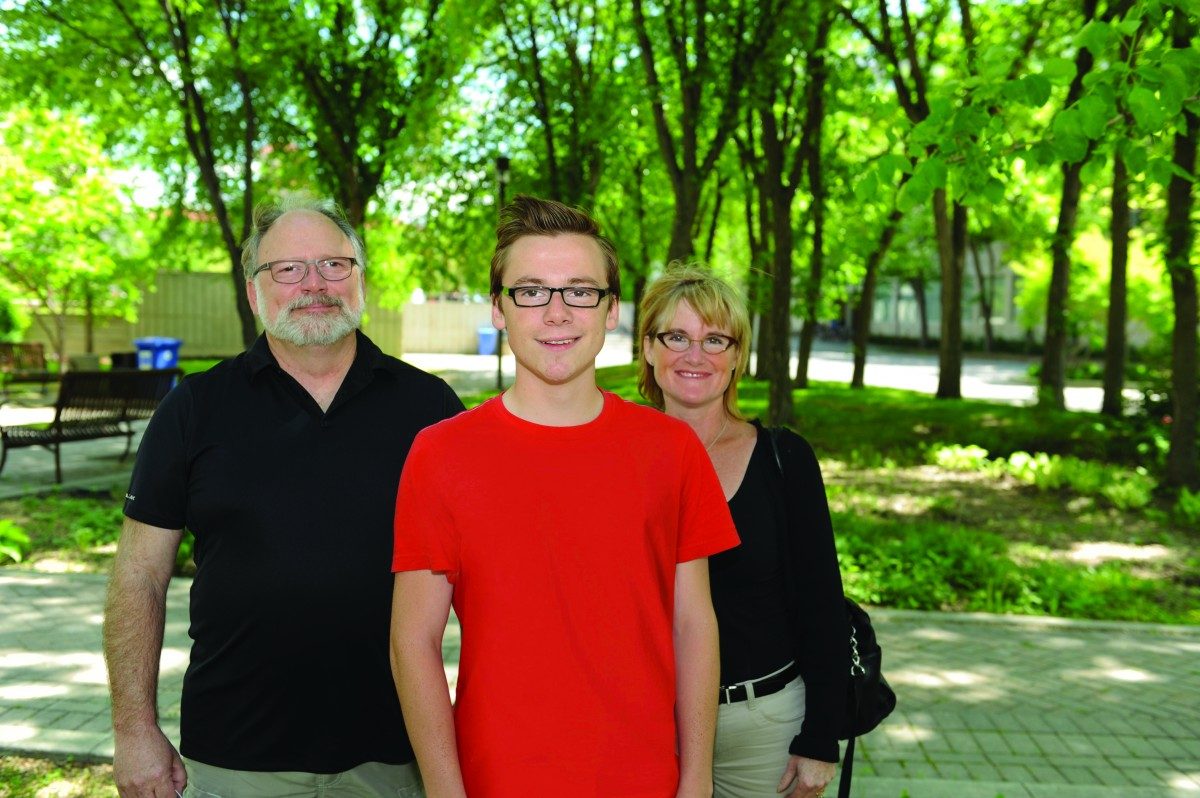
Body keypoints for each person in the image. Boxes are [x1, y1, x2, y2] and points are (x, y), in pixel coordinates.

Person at [104, 197, 464, 798]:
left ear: (361, 279)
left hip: (396, 755)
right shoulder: (194, 408)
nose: (315, 284)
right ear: (254, 292)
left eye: (334, 265)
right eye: (288, 269)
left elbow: (486, 582)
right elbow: (139, 575)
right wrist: (133, 730)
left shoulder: (428, 409)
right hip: (234, 757)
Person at [389, 196, 740, 798]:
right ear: (499, 309)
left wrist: (697, 779)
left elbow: (694, 624)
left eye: (580, 291)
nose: (556, 313)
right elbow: (412, 641)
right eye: (531, 291)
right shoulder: (440, 454)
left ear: (612, 311)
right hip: (494, 778)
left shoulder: (672, 449)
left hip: (644, 778)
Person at [637, 265, 848, 798]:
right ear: (647, 348)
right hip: (645, 723)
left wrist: (821, 738)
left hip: (764, 732)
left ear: (737, 356)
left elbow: (823, 604)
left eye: (714, 340)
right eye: (676, 336)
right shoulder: (614, 459)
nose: (694, 355)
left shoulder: (784, 459)